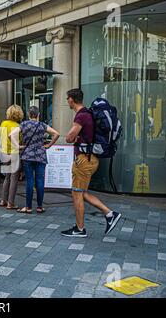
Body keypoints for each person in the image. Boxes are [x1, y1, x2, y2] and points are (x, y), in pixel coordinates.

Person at [61, 88, 122, 238]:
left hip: (83, 160)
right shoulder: (89, 114)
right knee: (82, 193)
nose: (67, 101)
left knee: (76, 194)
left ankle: (80, 229)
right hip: (90, 159)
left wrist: (73, 138)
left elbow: (69, 138)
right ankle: (109, 214)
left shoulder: (81, 116)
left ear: (71, 99)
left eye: (67, 98)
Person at [12, 106, 60, 214]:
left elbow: (11, 135)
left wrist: (18, 146)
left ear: (29, 114)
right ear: (38, 115)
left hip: (27, 156)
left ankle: (28, 207)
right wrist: (49, 145)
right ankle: (39, 206)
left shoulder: (24, 124)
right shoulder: (42, 125)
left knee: (29, 181)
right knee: (39, 181)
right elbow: (57, 134)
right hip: (40, 156)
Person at [0, 104, 24, 210]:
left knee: (7, 178)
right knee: (14, 178)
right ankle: (11, 203)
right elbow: (20, 141)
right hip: (14, 153)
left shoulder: (3, 124)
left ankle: (3, 200)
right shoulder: (18, 127)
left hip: (4, 153)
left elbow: (0, 137)